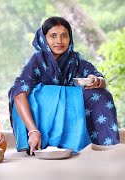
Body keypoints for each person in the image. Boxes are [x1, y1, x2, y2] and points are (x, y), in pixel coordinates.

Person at [8, 17, 120, 155]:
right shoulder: (36, 59)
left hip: (69, 108)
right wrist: (33, 131)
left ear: (70, 38)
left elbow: (99, 77)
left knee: (101, 94)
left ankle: (105, 145)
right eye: (53, 36)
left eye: (64, 36)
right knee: (35, 93)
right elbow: (18, 94)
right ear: (44, 38)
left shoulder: (75, 59)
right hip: (43, 113)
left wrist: (96, 80)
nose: (59, 41)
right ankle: (39, 141)